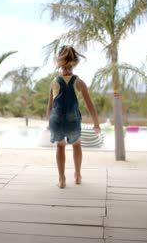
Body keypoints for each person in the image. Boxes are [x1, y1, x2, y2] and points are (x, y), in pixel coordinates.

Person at [47, 45, 101, 189]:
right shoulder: (79, 82)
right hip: (72, 120)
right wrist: (96, 123)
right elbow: (90, 106)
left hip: (56, 120)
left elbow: (50, 106)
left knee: (60, 147)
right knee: (77, 145)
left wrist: (49, 123)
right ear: (74, 62)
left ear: (60, 62)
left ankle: (62, 179)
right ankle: (77, 175)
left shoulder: (54, 82)